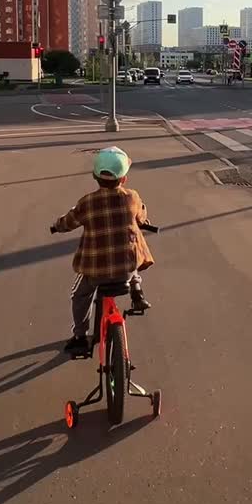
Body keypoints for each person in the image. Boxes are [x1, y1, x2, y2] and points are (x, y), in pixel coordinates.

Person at [50, 146, 154, 355]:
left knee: (80, 295)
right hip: (125, 270)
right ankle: (136, 289)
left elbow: (69, 222)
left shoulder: (87, 202)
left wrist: (56, 226)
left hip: (95, 271)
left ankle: (80, 336)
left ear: (95, 176)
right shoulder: (132, 197)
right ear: (123, 179)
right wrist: (143, 220)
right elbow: (142, 216)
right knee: (132, 249)